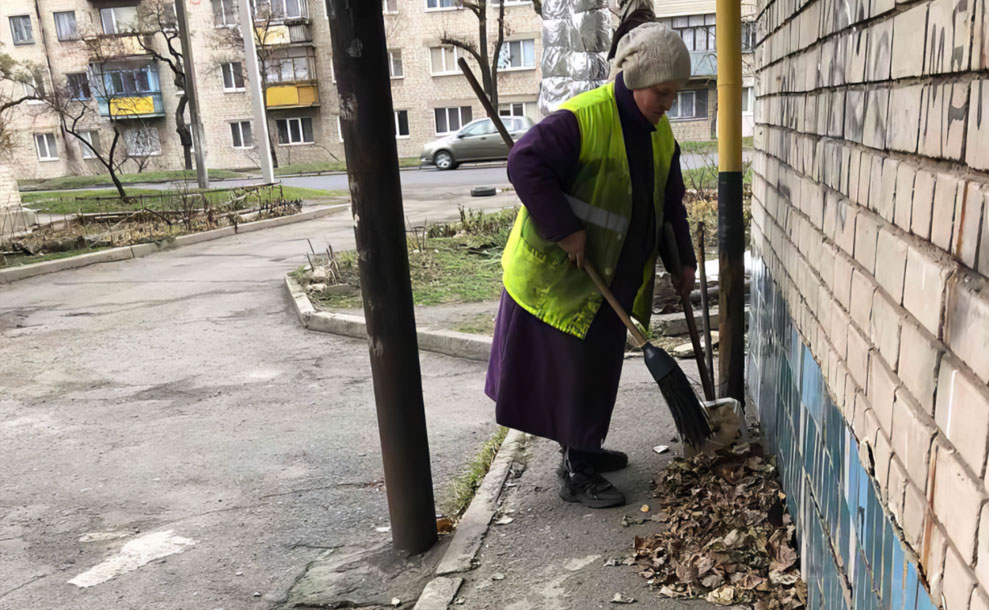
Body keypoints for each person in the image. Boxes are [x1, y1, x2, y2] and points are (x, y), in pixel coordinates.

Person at [485, 23, 697, 509]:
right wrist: (565, 228)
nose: (668, 103)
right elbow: (524, 163)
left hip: (610, 275)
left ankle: (585, 448)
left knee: (597, 370)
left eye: (674, 93)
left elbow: (669, 203)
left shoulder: (658, 132)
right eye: (662, 92)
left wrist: (681, 261)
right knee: (574, 374)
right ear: (637, 78)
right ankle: (576, 472)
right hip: (562, 276)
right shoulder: (583, 118)